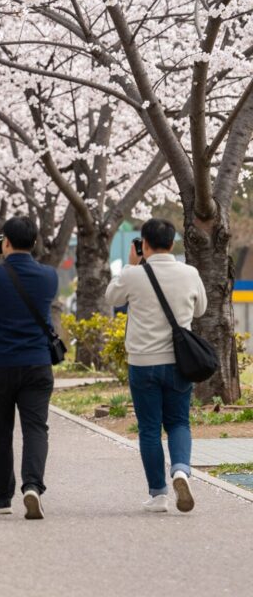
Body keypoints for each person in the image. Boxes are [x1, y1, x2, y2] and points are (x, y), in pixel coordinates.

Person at [106, 218, 207, 514]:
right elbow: (200, 309)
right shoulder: (190, 272)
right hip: (179, 363)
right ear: (172, 243)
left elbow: (111, 297)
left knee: (149, 428)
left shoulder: (134, 275)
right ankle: (180, 470)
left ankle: (159, 494)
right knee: (179, 422)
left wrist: (130, 265)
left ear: (144, 244)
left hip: (143, 363)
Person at [0, 216, 59, 520]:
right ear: (35, 242)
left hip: (0, 364)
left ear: (5, 243)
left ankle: (3, 496)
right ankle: (33, 486)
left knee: (0, 431)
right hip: (37, 363)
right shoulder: (49, 276)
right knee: (36, 428)